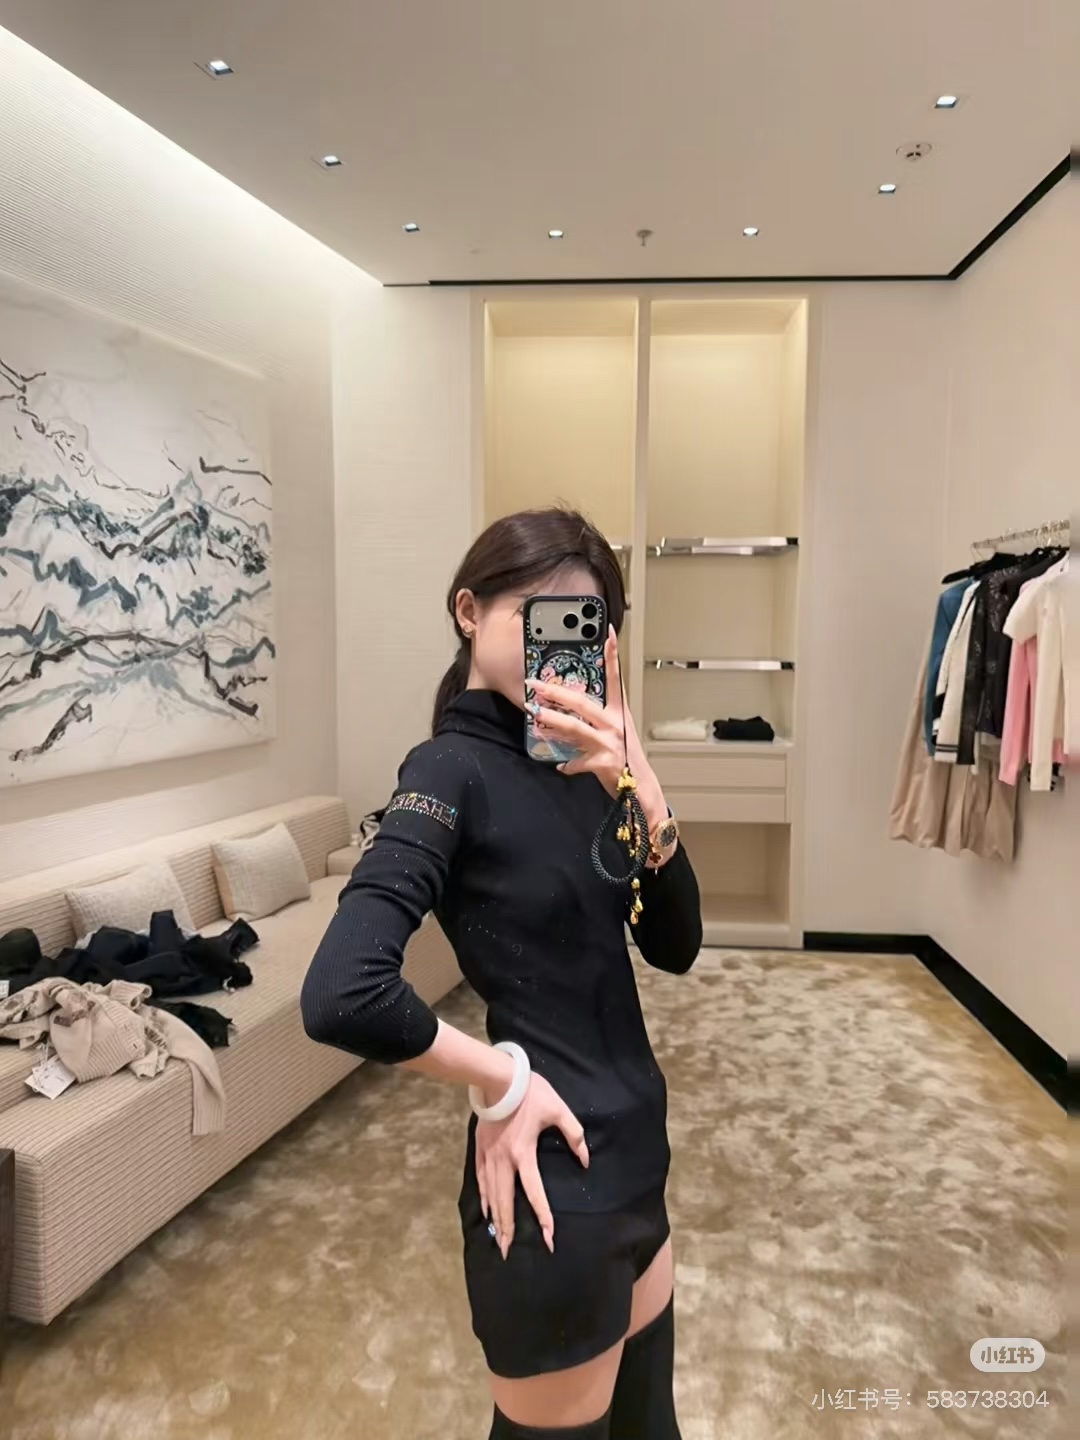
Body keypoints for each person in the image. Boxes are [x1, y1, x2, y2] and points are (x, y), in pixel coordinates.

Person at [301, 507, 703, 1439]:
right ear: (468, 611)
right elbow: (342, 990)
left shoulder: (584, 771)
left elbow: (675, 943)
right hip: (552, 1189)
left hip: (638, 1160)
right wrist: (501, 1081)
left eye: (585, 624)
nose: (559, 645)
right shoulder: (448, 770)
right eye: (537, 614)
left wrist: (636, 771)